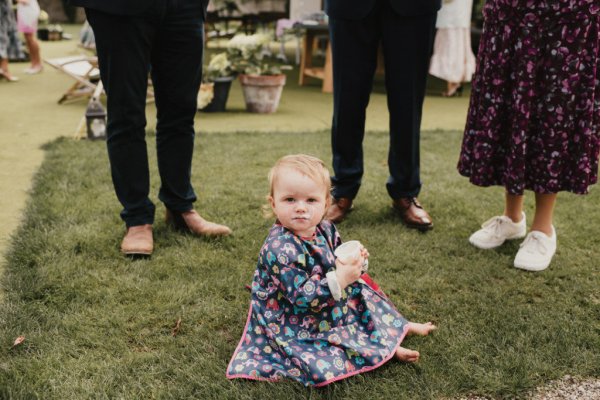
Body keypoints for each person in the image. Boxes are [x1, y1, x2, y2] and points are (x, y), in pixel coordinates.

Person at [227, 154, 436, 386]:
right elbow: (302, 298)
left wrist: (355, 264)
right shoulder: (280, 247)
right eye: (289, 200)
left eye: (310, 200)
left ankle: (399, 329)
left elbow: (338, 257)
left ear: (326, 204)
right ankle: (385, 350)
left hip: (328, 294)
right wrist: (339, 279)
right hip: (293, 314)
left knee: (364, 295)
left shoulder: (326, 228)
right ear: (273, 203)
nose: (300, 208)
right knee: (318, 354)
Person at [69, 0, 232, 256]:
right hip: (118, 9)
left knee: (181, 110)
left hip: (183, 7)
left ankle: (180, 206)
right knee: (126, 113)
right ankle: (137, 218)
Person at [458, 0, 600, 271]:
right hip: (511, 11)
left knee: (553, 110)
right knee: (509, 105)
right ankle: (512, 218)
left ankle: (543, 229)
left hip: (567, 15)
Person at [323, 0, 441, 231]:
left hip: (414, 8)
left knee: (408, 101)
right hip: (349, 7)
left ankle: (405, 190)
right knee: (347, 99)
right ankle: (343, 189)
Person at [428, 0, 476, 97]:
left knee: (451, 42)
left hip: (454, 11)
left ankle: (453, 81)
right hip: (458, 12)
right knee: (455, 41)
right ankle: (455, 80)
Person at [17, 0, 43, 74]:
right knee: (27, 39)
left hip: (29, 11)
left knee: (30, 38)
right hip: (23, 11)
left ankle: (38, 64)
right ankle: (33, 64)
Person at [0, 0, 21, 82]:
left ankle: (4, 70)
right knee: (3, 42)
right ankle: (4, 70)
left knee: (4, 41)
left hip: (4, 16)